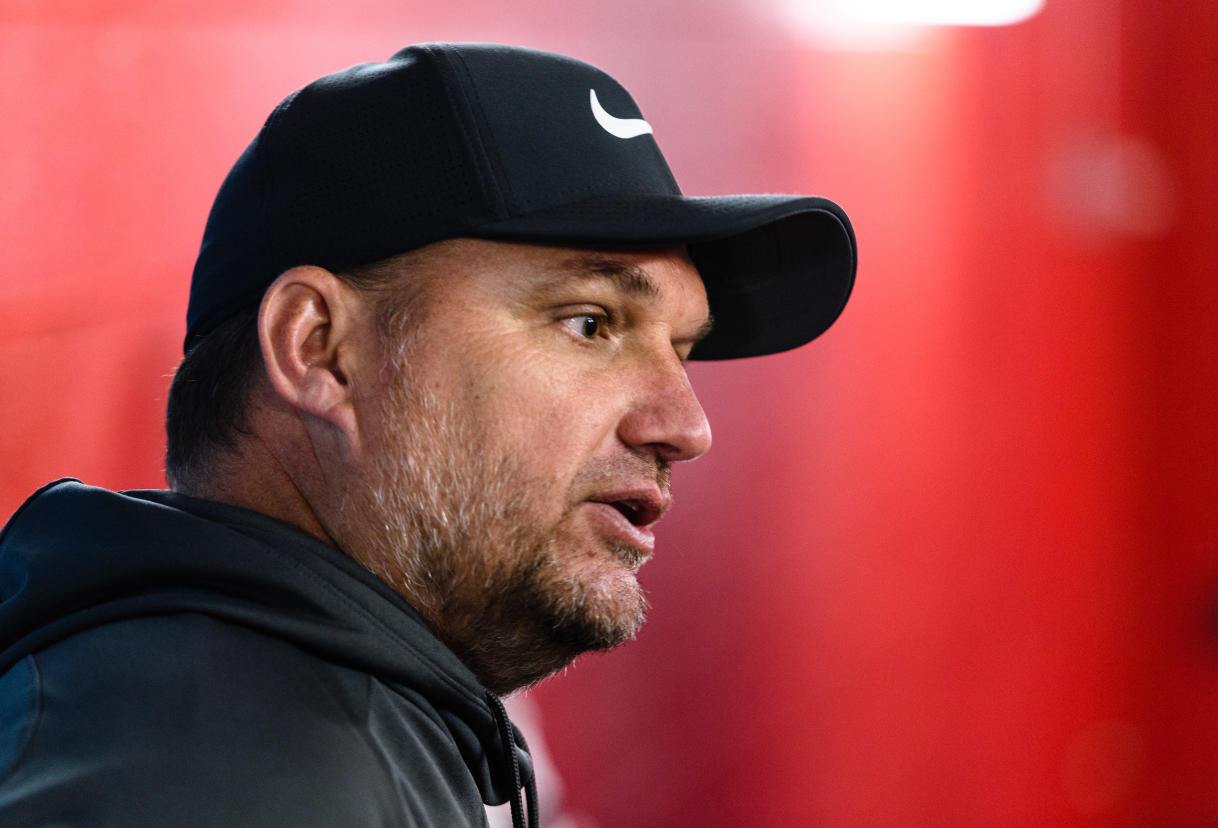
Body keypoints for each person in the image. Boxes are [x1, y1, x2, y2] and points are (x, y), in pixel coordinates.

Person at [0, 43, 856, 827]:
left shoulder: (290, 717)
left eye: (683, 349)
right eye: (590, 323)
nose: (686, 426)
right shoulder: (213, 781)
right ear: (320, 350)